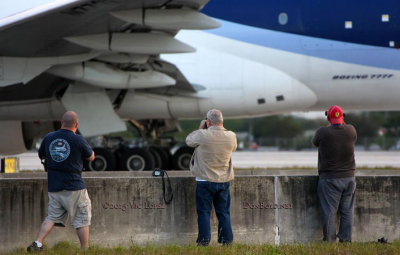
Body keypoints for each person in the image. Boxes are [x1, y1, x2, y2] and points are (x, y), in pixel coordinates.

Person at [27, 111, 95, 252]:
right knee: (81, 220)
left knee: (51, 217)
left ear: (61, 122)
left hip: (55, 186)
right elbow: (91, 157)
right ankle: (85, 250)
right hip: (75, 187)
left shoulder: (49, 137)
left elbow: (42, 155)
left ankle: (38, 243)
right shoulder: (78, 139)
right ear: (76, 124)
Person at [186, 109, 237, 246]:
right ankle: (227, 241)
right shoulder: (231, 136)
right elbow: (233, 148)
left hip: (204, 181)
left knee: (204, 213)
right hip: (223, 180)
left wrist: (201, 128)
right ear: (222, 121)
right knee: (224, 213)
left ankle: (203, 242)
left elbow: (189, 141)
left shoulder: (203, 135)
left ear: (208, 122)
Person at [312, 105, 357, 242]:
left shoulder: (323, 132)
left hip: (330, 179)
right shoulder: (351, 130)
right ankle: (345, 240)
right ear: (342, 117)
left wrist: (330, 123)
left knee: (329, 211)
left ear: (328, 118)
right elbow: (345, 129)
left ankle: (330, 241)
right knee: (347, 211)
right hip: (349, 178)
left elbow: (315, 143)